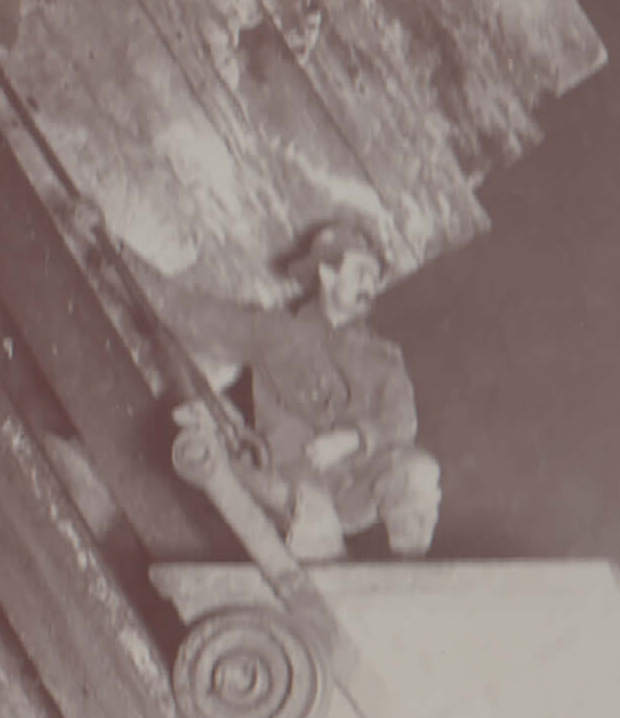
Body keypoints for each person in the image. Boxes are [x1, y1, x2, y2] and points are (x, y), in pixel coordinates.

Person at [156, 222, 443, 561]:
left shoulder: (383, 356)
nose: (370, 285)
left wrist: (351, 439)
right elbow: (185, 311)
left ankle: (409, 572)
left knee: (419, 472)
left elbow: (402, 422)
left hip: (355, 486)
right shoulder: (275, 332)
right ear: (326, 274)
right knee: (317, 524)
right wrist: (111, 249)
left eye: (374, 276)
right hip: (290, 481)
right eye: (362, 272)